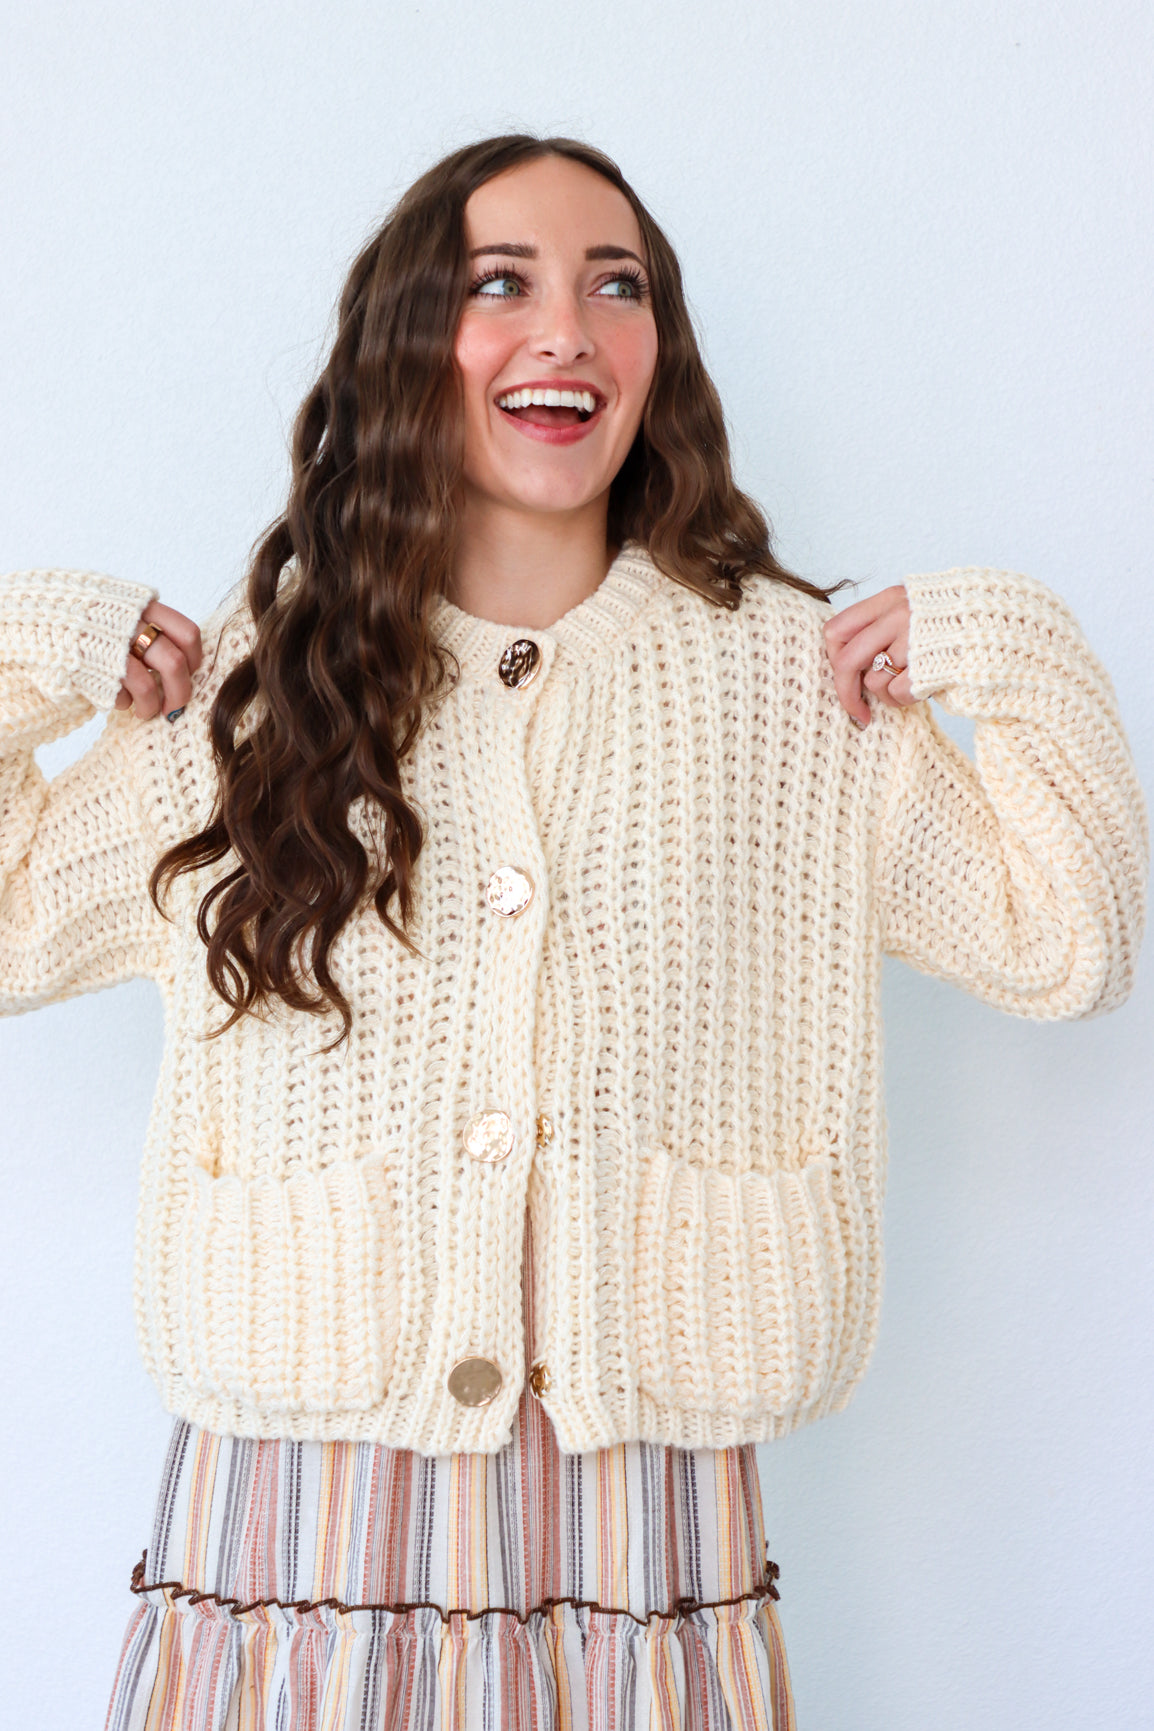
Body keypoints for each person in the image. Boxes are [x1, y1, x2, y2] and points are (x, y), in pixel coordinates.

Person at [0, 134, 1144, 1731]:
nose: (568, 330)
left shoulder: (789, 689)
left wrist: (1011, 650)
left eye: (619, 287)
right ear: (408, 345)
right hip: (303, 1515)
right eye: (499, 284)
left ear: (654, 354)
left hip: (633, 1513)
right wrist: (31, 650)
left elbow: (1066, 942)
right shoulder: (258, 697)